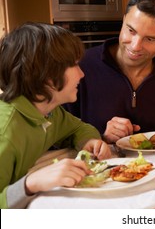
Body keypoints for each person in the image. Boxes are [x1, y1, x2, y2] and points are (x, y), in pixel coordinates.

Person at [0, 23, 111, 209]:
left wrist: (88, 141)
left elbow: (79, 128)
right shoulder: (5, 132)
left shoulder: (50, 113)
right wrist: (30, 183)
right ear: (47, 75)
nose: (82, 74)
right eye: (74, 65)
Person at [65, 0, 155, 143]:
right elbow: (58, 140)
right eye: (131, 30)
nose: (135, 46)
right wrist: (101, 137)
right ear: (123, 20)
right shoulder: (81, 67)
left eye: (150, 39)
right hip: (93, 166)